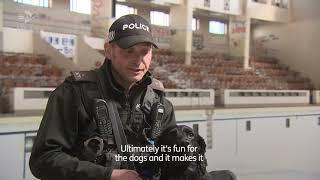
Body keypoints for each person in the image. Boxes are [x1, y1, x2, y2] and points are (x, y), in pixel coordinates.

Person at [29, 14, 176, 180]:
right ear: (108, 51)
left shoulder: (159, 102)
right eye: (129, 51)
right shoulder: (74, 94)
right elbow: (43, 160)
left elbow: (172, 157)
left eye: (145, 52)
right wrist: (107, 175)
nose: (138, 60)